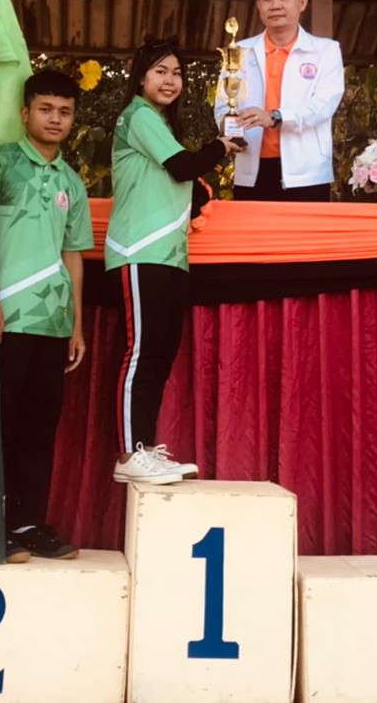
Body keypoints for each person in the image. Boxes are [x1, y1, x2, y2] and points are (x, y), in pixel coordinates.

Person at [0, 68, 93, 564]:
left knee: (40, 431)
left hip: (52, 324)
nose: (55, 119)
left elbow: (73, 255)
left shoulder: (71, 182)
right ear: (25, 113)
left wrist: (76, 324)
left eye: (65, 112)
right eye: (46, 109)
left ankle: (29, 523)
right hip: (2, 319)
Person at [107, 39, 241, 485]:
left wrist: (201, 184)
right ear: (141, 78)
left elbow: (184, 181)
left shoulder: (161, 126)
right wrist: (220, 146)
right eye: (161, 71)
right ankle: (129, 454)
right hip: (138, 251)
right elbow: (184, 167)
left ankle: (145, 450)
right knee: (143, 354)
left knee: (160, 357)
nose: (170, 80)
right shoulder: (138, 115)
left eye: (177, 73)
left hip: (170, 256)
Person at [214, 0, 344, 202]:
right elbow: (223, 104)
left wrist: (275, 117)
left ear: (302, 3)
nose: (275, 5)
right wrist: (230, 128)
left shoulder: (326, 50)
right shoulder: (239, 51)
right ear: (258, 5)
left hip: (307, 174)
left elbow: (323, 105)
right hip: (252, 171)